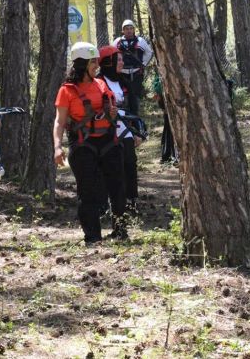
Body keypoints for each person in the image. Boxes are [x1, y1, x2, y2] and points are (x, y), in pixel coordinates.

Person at [53, 42, 127, 245]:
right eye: (94, 61)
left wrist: (111, 112)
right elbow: (59, 122)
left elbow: (111, 110)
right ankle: (93, 236)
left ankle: (120, 230)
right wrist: (57, 147)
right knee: (88, 191)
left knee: (117, 186)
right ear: (83, 63)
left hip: (108, 140)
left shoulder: (101, 84)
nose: (97, 65)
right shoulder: (66, 90)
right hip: (83, 144)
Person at [98, 45, 143, 215]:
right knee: (108, 168)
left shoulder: (124, 82)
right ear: (108, 62)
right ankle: (107, 204)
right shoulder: (99, 82)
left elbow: (133, 108)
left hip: (125, 130)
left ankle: (131, 202)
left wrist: (136, 131)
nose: (122, 62)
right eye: (118, 59)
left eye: (122, 59)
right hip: (105, 132)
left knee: (130, 164)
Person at [113, 19, 153, 117]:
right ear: (123, 30)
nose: (129, 31)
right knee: (122, 97)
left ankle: (135, 119)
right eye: (126, 29)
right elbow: (112, 54)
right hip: (121, 75)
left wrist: (143, 64)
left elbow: (149, 52)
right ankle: (124, 118)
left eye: (131, 28)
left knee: (135, 98)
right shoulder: (117, 42)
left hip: (136, 74)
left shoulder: (140, 41)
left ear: (134, 30)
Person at [152, 71, 177, 165]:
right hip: (166, 101)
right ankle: (169, 154)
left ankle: (171, 155)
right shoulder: (160, 71)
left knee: (170, 129)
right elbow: (157, 85)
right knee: (168, 128)